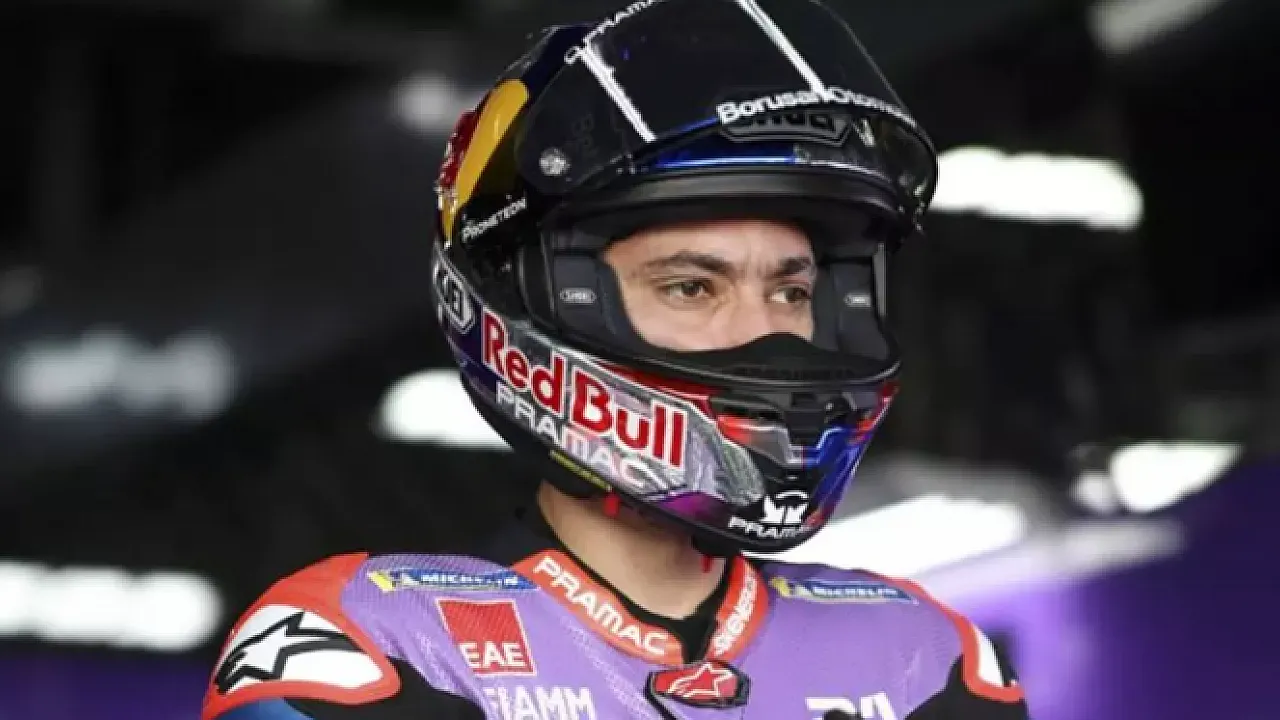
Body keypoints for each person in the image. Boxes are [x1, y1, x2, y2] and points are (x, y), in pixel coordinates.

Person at [202, 0, 1032, 718]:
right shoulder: (372, 647)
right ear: (543, 305)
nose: (766, 335)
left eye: (791, 291)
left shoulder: (923, 659)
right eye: (691, 287)